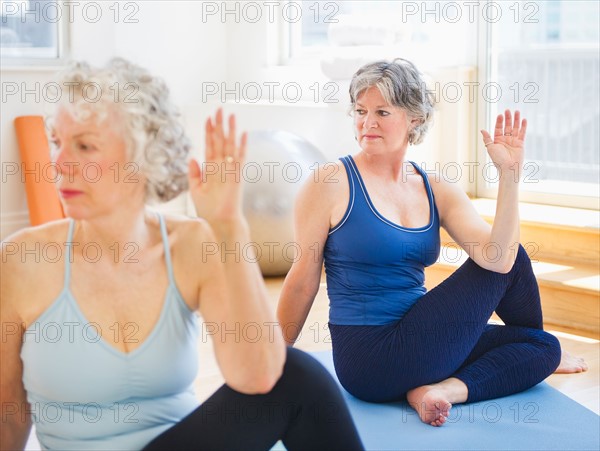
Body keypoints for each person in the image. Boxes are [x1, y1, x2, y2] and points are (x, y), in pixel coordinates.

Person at [0, 58, 364, 450]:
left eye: (84, 145)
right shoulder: (22, 260)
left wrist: (228, 227)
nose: (60, 164)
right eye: (57, 143)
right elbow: (7, 413)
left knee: (297, 377)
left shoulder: (191, 246)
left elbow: (259, 376)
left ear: (142, 156)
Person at [277, 58, 588, 427]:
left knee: (542, 343)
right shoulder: (330, 182)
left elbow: (500, 259)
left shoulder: (435, 187)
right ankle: (437, 381)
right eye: (360, 111)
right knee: (518, 283)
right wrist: (275, 360)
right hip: (369, 356)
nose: (367, 122)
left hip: (422, 342)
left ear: (415, 118)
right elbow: (303, 280)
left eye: (382, 111)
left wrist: (509, 177)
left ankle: (440, 391)